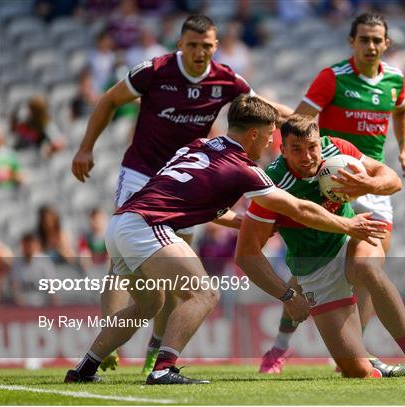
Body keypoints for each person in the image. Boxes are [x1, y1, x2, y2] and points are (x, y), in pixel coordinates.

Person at [64, 95, 387, 385]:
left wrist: (248, 222)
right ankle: (164, 368)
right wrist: (346, 224)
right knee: (203, 293)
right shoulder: (244, 168)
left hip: (121, 223)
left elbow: (201, 205)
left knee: (150, 303)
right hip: (148, 226)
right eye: (271, 135)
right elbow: (299, 207)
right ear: (254, 135)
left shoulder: (199, 146)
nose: (272, 141)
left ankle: (84, 369)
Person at [71, 15, 293, 373]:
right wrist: (85, 148)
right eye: (192, 45)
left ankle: (155, 351)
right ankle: (110, 345)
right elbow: (109, 100)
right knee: (123, 264)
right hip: (142, 173)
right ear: (180, 45)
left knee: (177, 270)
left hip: (187, 181)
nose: (199, 52)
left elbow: (264, 112)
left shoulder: (227, 80)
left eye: (206, 46)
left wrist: (303, 123)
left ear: (216, 47)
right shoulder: (154, 71)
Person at [260, 12, 405, 374]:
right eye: (364, 39)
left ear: (387, 43)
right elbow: (299, 123)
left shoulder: (395, 79)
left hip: (371, 181)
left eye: (377, 40)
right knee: (307, 270)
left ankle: (356, 351)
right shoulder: (332, 78)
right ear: (352, 42)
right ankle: (281, 344)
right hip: (329, 176)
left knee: (370, 270)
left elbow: (404, 111)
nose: (371, 46)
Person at [237, 115, 405, 379]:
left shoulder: (336, 149)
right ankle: (373, 367)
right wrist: (287, 295)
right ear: (282, 150)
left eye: (312, 147)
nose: (307, 156)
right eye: (297, 150)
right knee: (355, 371)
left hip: (350, 240)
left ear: (320, 143)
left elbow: (393, 180)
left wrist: (369, 184)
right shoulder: (271, 185)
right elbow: (246, 254)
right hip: (315, 271)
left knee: (366, 267)